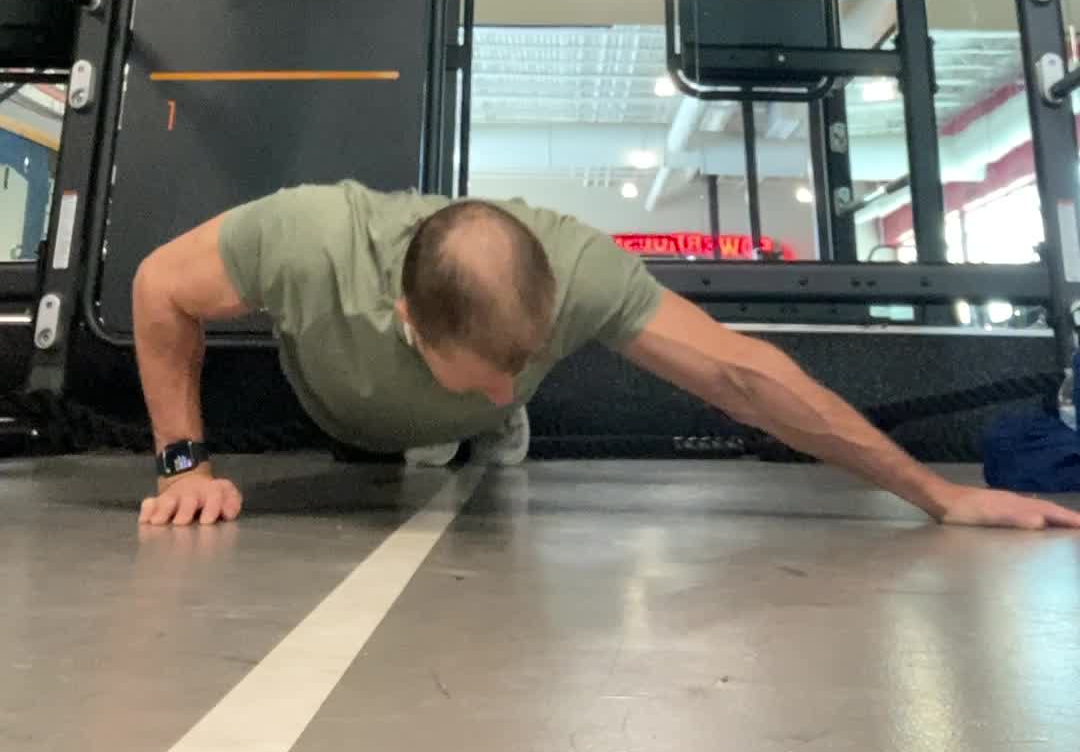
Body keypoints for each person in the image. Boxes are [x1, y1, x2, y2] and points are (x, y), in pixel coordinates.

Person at [133, 182, 1080, 533]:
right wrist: (184, 463)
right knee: (399, 433)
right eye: (484, 372)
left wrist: (939, 495)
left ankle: (477, 432)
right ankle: (431, 430)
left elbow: (744, 376)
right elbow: (157, 288)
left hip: (461, 429)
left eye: (523, 362)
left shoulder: (579, 268)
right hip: (335, 409)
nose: (506, 380)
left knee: (486, 417)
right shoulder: (308, 239)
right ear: (404, 317)